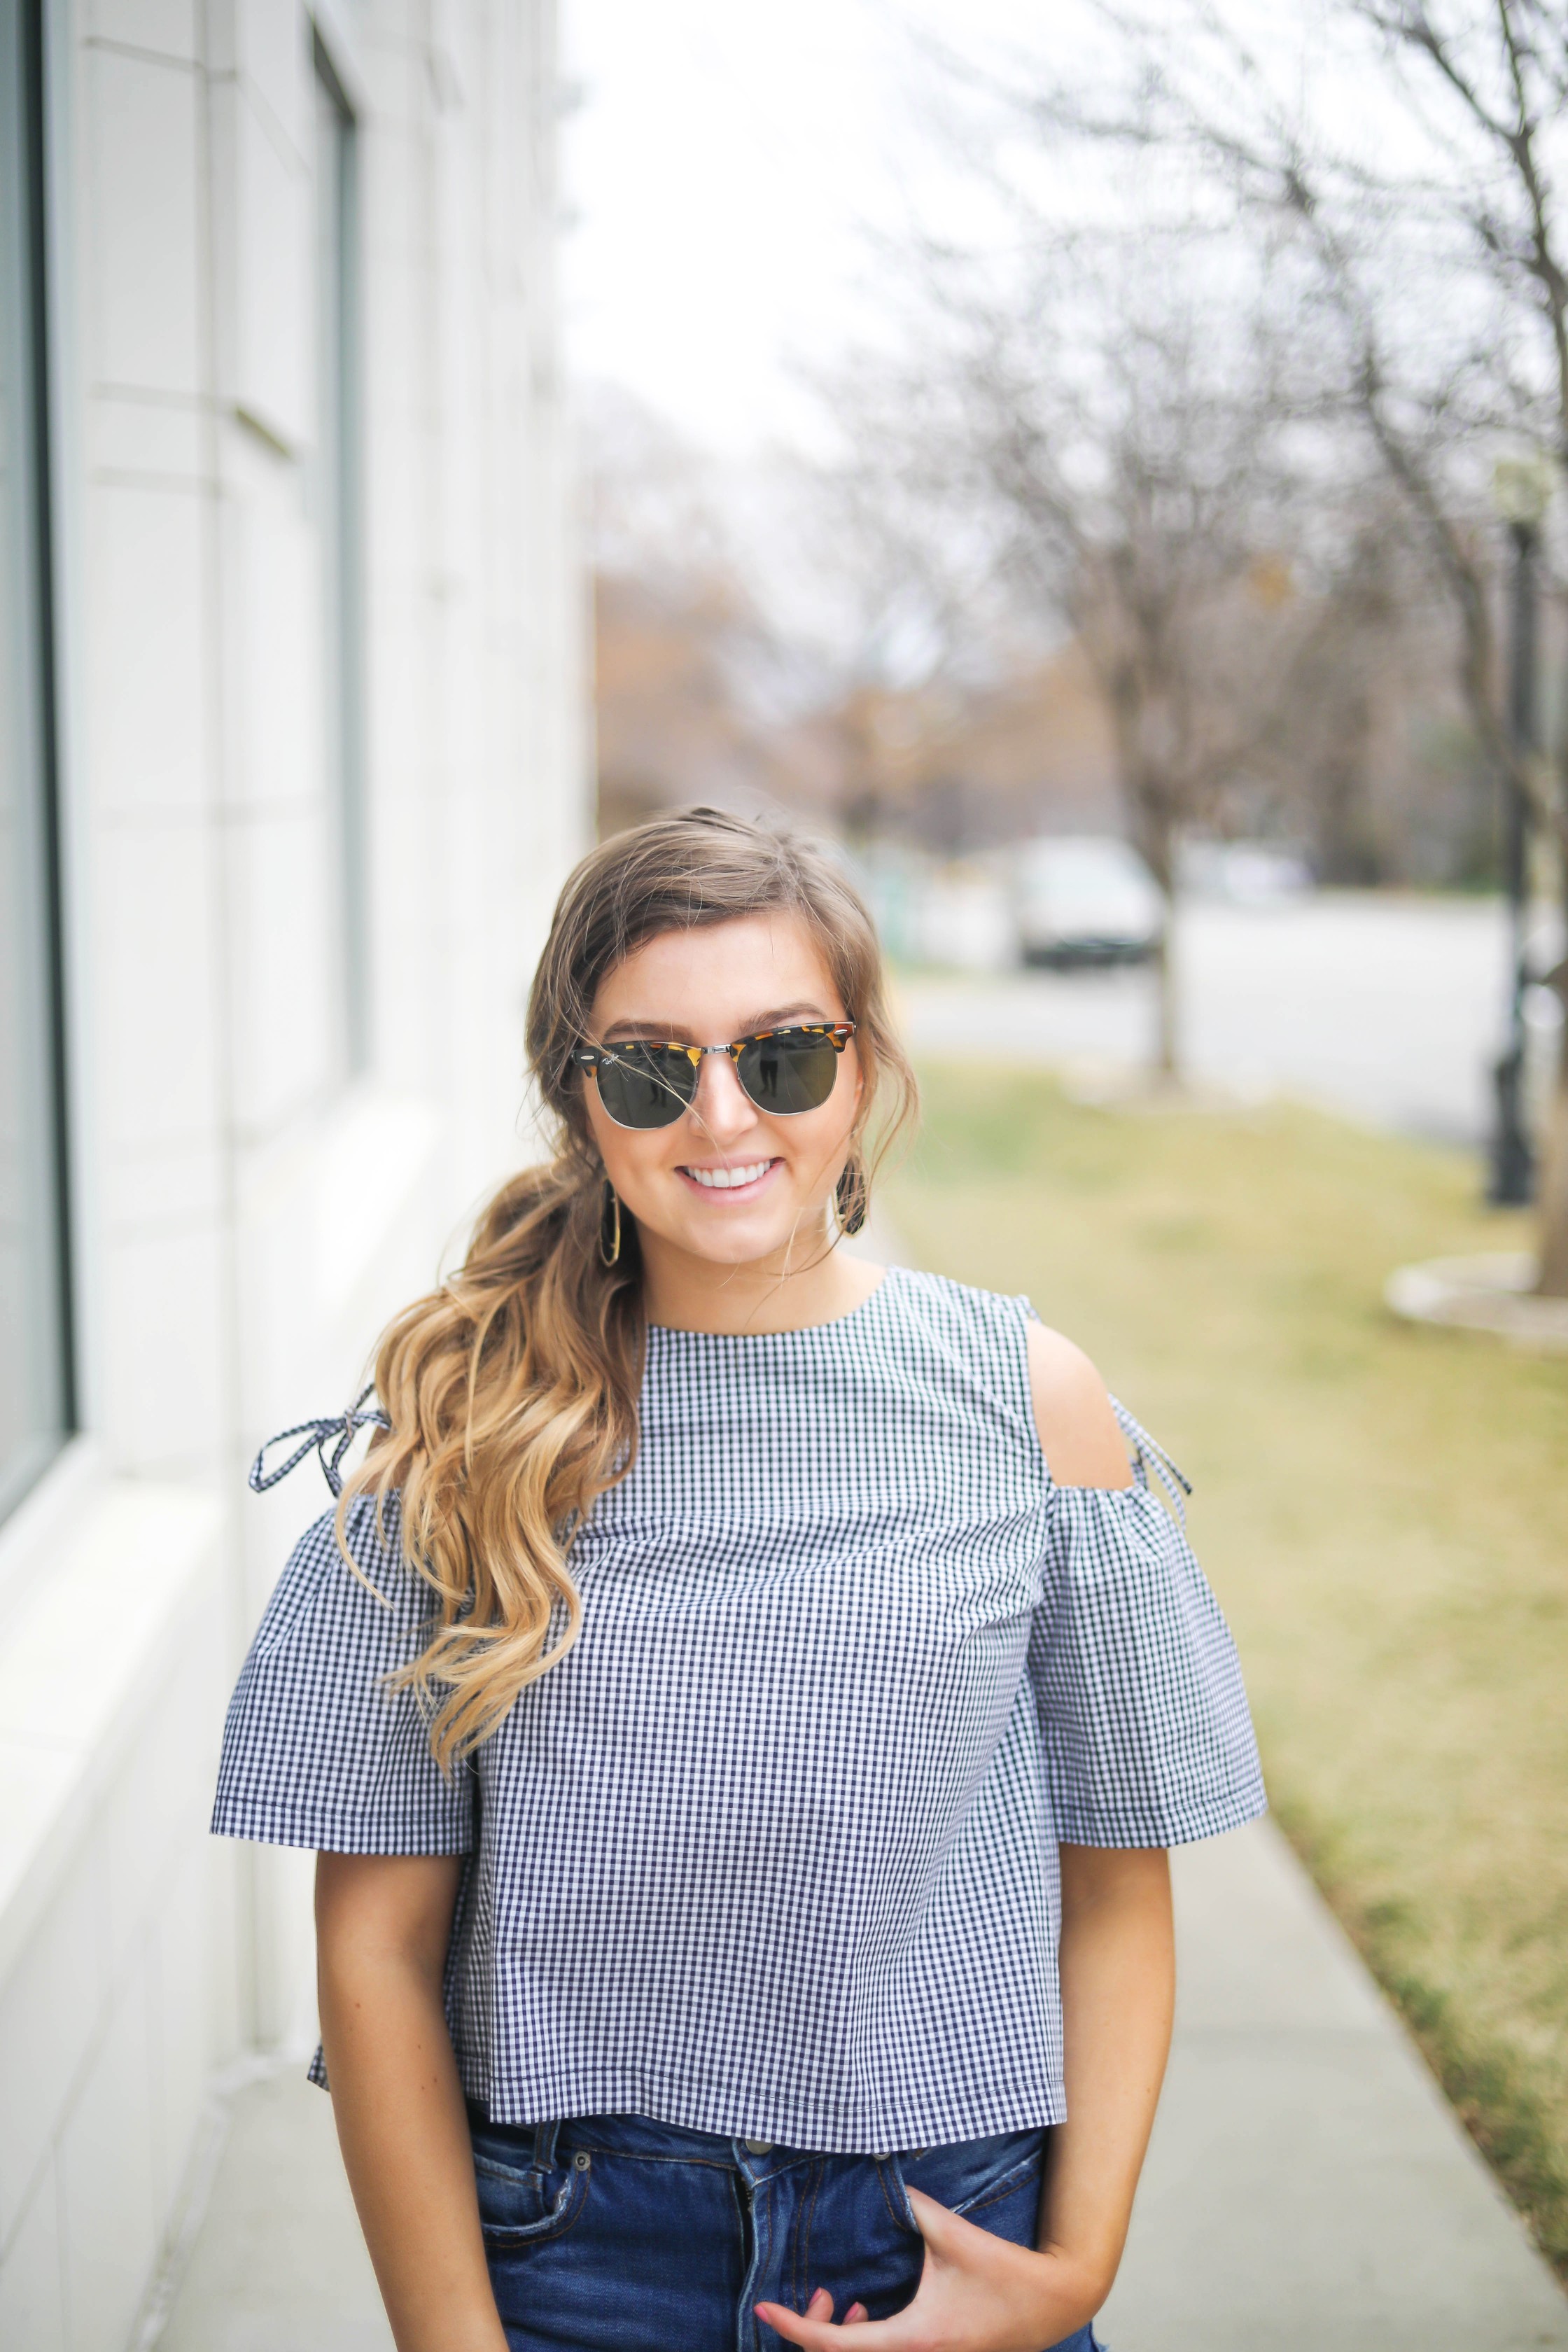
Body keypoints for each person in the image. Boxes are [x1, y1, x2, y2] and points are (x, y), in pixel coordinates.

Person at [214, 807, 1265, 2352]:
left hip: (948, 2226)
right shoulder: (468, 1435)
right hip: (569, 2249)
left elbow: (1116, 1882)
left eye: (777, 1054)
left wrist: (1074, 2269)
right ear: (576, 1095)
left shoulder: (1024, 1400)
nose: (720, 1119)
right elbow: (373, 1953)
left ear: (860, 1065)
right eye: (650, 1064)